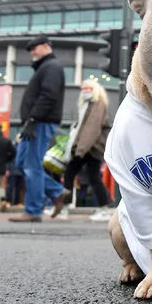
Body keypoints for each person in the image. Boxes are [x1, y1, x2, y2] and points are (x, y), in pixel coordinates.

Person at [9, 35, 70, 222]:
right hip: (35, 123)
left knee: (31, 166)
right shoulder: (46, 67)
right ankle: (57, 192)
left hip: (40, 123)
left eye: (34, 48)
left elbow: (48, 96)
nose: (32, 52)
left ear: (46, 46)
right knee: (22, 163)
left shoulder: (51, 67)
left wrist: (33, 119)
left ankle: (33, 211)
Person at [54, 79, 112, 221]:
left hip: (89, 148)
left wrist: (79, 150)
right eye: (83, 88)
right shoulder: (88, 105)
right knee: (91, 177)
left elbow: (91, 129)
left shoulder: (97, 105)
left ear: (95, 89)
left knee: (72, 175)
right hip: (88, 148)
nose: (85, 91)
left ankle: (66, 208)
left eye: (88, 88)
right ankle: (104, 208)